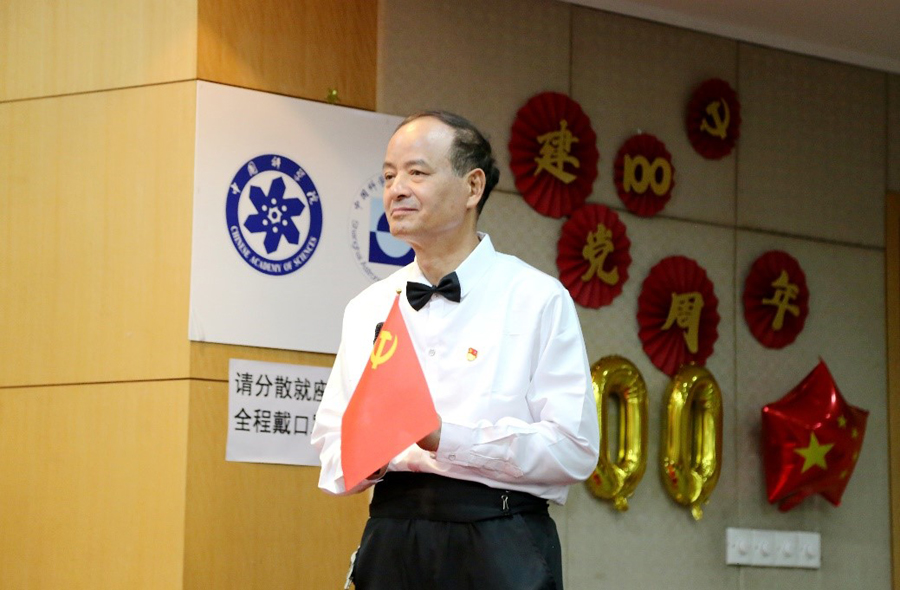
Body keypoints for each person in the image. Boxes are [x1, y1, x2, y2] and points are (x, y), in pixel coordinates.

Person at [311, 110, 600, 590]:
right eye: (389, 175)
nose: (396, 190)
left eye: (417, 172)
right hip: (392, 533)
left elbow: (574, 449)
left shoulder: (536, 298)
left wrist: (446, 437)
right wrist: (373, 446)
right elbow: (330, 448)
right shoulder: (368, 307)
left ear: (472, 187)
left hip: (500, 536)